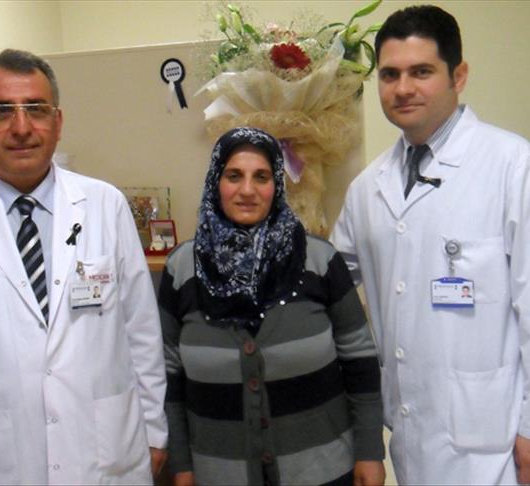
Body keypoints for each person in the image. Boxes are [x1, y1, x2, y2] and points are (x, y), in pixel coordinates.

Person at [330, 5, 530, 485]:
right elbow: (328, 277)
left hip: (496, 436)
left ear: (458, 76)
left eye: (421, 72)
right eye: (390, 74)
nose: (403, 88)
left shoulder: (515, 167)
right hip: (410, 427)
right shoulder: (369, 188)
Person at [0, 49, 167, 484]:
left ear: (57, 123)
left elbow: (141, 332)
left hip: (106, 457)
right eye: (2, 111)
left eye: (36, 109)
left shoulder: (105, 206)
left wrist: (152, 431)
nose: (21, 128)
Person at [159, 127, 385, 486]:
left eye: (261, 177)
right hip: (218, 473)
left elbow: (360, 359)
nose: (247, 190)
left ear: (276, 185)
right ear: (216, 182)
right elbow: (168, 374)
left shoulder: (319, 260)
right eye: (234, 176)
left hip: (322, 469)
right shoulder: (182, 268)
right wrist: (181, 463)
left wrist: (370, 451)